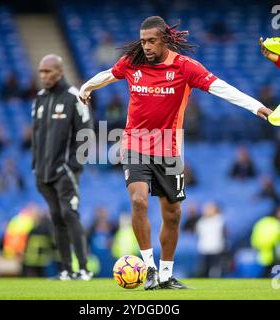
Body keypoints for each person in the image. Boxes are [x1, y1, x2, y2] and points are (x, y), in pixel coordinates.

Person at [80, 16, 272, 290]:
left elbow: (223, 89)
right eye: (143, 40)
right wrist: (87, 87)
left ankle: (166, 275)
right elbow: (108, 75)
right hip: (135, 144)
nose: (145, 46)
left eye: (151, 41)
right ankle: (148, 269)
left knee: (172, 214)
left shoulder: (185, 68)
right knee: (138, 201)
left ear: (165, 40)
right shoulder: (132, 63)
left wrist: (258, 108)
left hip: (169, 149)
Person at [32, 54, 93, 280]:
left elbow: (86, 132)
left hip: (65, 171)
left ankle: (84, 269)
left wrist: (74, 165)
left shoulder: (74, 97)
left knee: (69, 213)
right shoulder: (39, 98)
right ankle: (66, 270)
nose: (43, 76)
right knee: (56, 217)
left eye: (48, 71)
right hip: (43, 172)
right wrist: (34, 165)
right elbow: (37, 134)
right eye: (41, 72)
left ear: (60, 72)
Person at [195, 202, 226, 278]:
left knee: (215, 268)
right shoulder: (201, 221)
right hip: (205, 248)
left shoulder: (219, 220)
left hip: (216, 248)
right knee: (205, 268)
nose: (207, 211)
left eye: (210, 209)